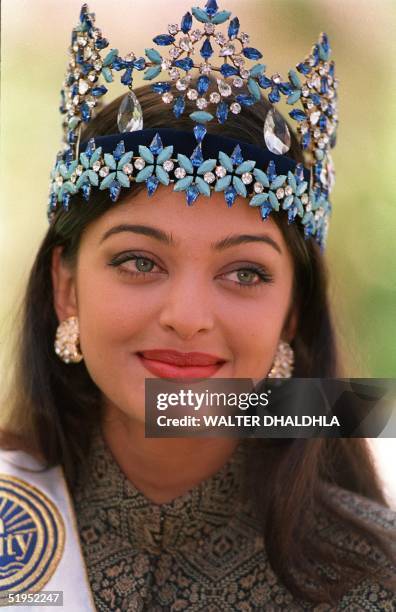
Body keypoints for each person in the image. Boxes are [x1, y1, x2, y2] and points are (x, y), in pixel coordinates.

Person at [0, 2, 395, 610]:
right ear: (66, 287)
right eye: (139, 262)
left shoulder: (369, 579)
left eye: (245, 272)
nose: (187, 316)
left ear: (292, 312)